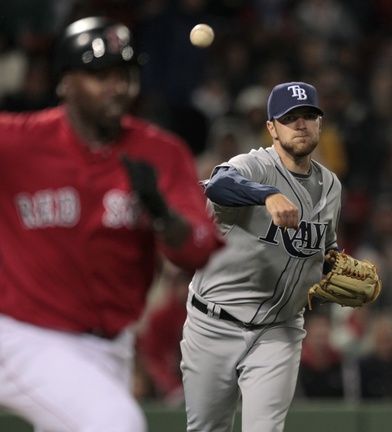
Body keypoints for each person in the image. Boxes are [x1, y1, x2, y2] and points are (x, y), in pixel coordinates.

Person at [0, 16, 223, 432]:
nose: (116, 87)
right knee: (115, 423)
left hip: (113, 347)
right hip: (24, 337)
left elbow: (198, 248)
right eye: (99, 75)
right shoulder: (17, 143)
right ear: (65, 82)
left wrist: (162, 213)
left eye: (124, 74)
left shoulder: (159, 152)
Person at [181, 81, 342, 432]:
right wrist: (267, 195)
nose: (301, 124)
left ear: (320, 124)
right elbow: (218, 184)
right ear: (271, 127)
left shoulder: (332, 186)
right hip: (214, 324)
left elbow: (324, 248)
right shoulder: (254, 165)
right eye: (290, 118)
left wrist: (332, 262)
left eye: (309, 116)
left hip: (278, 330)